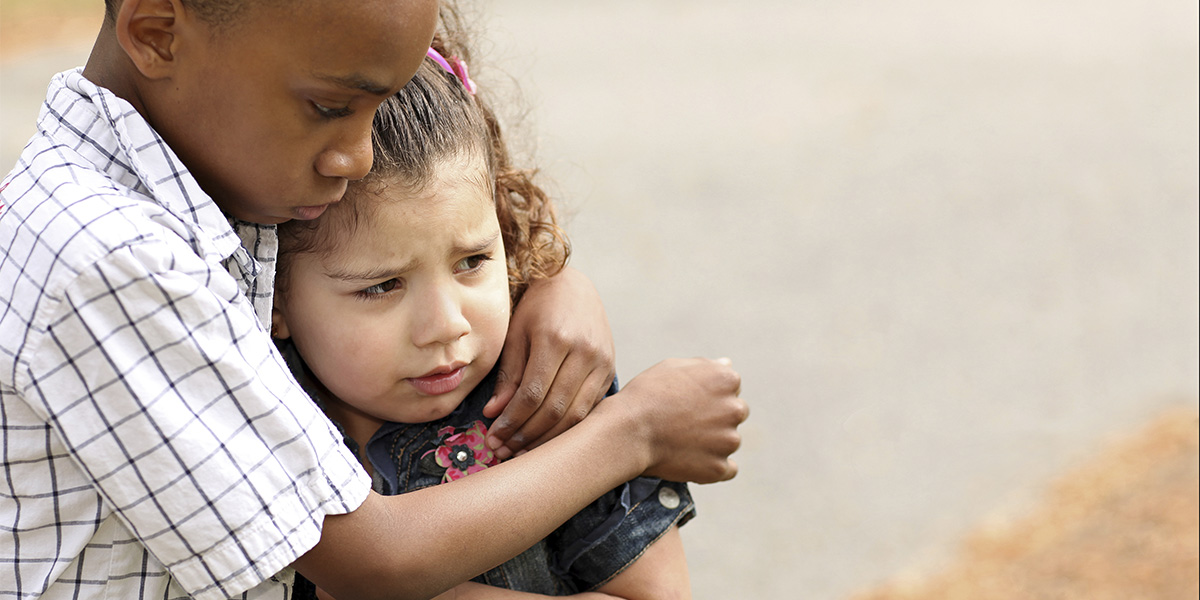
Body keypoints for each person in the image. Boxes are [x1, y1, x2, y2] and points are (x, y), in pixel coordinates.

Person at [0, 1, 748, 599]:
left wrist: (548, 281)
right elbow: (374, 561)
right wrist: (636, 431)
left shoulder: (199, 185)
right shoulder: (114, 260)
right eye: (330, 107)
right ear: (158, 34)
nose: (358, 156)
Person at [273, 41, 696, 599]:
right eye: (381, 286)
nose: (447, 326)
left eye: (472, 262)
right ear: (273, 293)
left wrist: (393, 584)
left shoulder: (550, 402)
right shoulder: (255, 417)